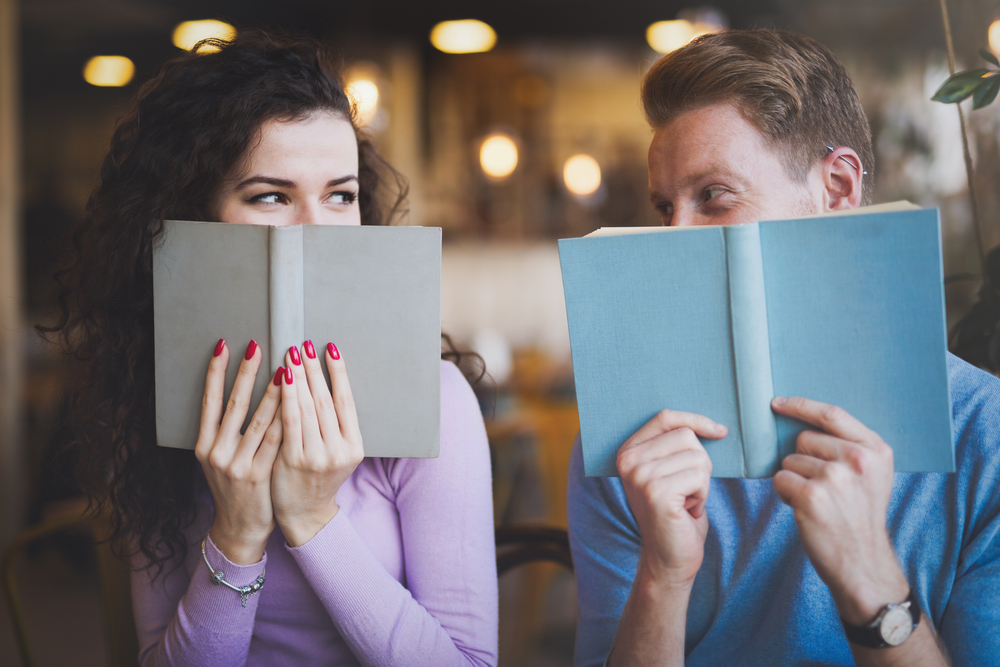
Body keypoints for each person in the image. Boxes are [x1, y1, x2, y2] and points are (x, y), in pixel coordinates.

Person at [49, 31, 498, 666]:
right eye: (271, 196)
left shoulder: (437, 403)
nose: (318, 231)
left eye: (341, 195)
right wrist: (236, 534)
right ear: (192, 220)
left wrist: (314, 519)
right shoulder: (153, 405)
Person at [568, 29, 1000, 667]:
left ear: (837, 189)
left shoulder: (986, 433)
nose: (676, 237)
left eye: (713, 197)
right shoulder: (630, 442)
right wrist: (663, 579)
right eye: (665, 207)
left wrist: (870, 578)